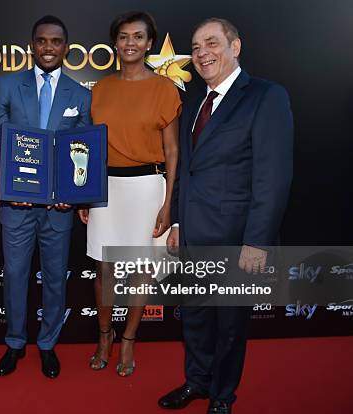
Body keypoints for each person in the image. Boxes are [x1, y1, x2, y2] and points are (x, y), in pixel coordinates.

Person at [158, 18, 293, 414]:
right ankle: (197, 383)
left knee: (230, 327)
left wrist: (257, 240)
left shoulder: (266, 97)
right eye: (196, 47)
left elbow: (273, 177)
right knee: (196, 319)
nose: (202, 53)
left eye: (212, 43)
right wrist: (179, 223)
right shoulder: (197, 100)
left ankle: (222, 396)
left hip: (238, 239)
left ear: (236, 46)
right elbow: (187, 169)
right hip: (194, 236)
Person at [77, 11, 180, 376]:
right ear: (115, 42)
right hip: (105, 188)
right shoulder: (101, 89)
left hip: (147, 188)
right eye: (123, 36)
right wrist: (86, 193)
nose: (130, 43)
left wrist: (169, 204)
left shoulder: (165, 89)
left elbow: (172, 152)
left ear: (150, 43)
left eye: (138, 36)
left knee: (140, 270)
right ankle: (104, 336)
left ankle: (129, 340)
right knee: (104, 269)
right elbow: (91, 147)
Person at [0, 15, 91, 379]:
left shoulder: (80, 95)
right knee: (15, 275)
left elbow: (82, 149)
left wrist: (71, 194)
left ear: (66, 47)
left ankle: (47, 344)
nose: (49, 47)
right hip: (18, 206)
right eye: (42, 41)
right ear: (32, 45)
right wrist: (13, 185)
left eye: (56, 41)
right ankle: (15, 342)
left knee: (54, 278)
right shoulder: (7, 86)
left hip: (59, 209)